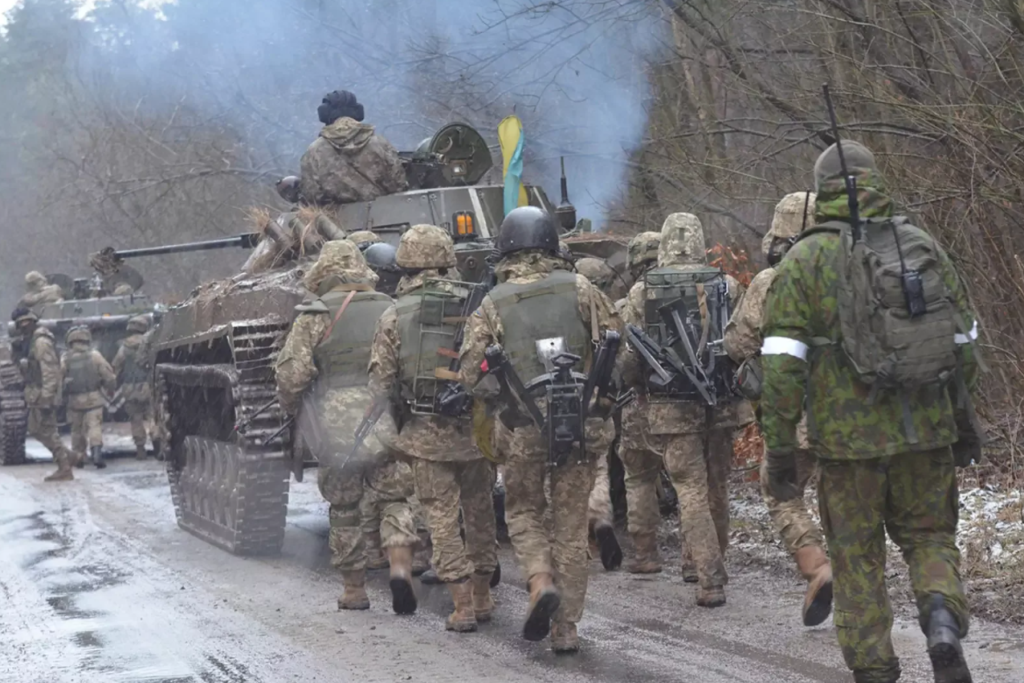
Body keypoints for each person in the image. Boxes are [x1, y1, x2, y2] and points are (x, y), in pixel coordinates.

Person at [761, 141, 978, 683]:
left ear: (821, 193)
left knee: (857, 563)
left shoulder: (803, 260)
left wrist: (781, 446)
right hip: (926, 435)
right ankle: (941, 621)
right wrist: (953, 415)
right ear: (876, 181)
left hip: (847, 450)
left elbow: (782, 368)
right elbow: (965, 343)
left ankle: (876, 671)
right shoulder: (917, 244)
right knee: (930, 539)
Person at [458, 206, 620, 653]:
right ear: (552, 243)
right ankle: (566, 628)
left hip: (524, 429)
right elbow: (618, 348)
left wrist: (500, 394)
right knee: (570, 527)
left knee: (524, 511)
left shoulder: (494, 301)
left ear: (506, 248)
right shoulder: (582, 288)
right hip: (582, 425)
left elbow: (471, 372)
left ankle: (540, 581)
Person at [276, 240, 420, 614]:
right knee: (394, 498)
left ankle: (354, 590)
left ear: (323, 272)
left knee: (344, 507)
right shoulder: (390, 308)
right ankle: (401, 568)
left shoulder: (314, 314)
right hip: (383, 415)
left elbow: (292, 375)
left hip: (335, 424)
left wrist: (294, 409)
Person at [368, 225, 497, 633]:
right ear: (447, 258)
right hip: (475, 431)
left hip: (425, 434)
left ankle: (462, 606)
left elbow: (380, 385)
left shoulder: (393, 314)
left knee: (441, 519)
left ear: (404, 263)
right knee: (480, 512)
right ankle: (483, 594)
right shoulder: (478, 305)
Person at [722, 191, 833, 627]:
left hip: (793, 416)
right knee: (842, 496)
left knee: (780, 490)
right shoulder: (847, 271)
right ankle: (859, 577)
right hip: (851, 415)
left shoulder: (771, 281)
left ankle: (816, 565)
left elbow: (738, 344)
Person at [618, 213, 741, 607]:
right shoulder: (729, 284)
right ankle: (704, 562)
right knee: (716, 486)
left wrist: (636, 387)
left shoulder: (641, 292)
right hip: (722, 402)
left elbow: (630, 356)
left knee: (690, 488)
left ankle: (709, 577)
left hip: (670, 405)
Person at [299, 90, 408, 205]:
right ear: (358, 111)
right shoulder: (379, 143)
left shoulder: (315, 151)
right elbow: (398, 184)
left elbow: (312, 195)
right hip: (385, 214)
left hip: (337, 220)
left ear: (324, 114)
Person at [12, 308, 72, 481]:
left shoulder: (40, 342)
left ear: (32, 322)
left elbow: (50, 371)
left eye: (26, 322)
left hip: (43, 392)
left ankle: (65, 466)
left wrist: (47, 397)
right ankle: (71, 457)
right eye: (21, 324)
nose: (24, 326)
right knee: (37, 429)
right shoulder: (30, 341)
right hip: (37, 392)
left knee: (47, 430)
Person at [61, 326, 116, 470]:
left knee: (76, 430)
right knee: (94, 427)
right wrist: (110, 389)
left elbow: (58, 379)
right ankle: (96, 453)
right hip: (94, 399)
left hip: (74, 401)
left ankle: (79, 457)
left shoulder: (65, 359)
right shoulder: (95, 356)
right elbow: (109, 376)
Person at [113, 316, 160, 460]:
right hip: (149, 386)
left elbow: (116, 367)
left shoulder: (124, 347)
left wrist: (114, 383)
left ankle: (141, 449)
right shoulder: (150, 344)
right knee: (154, 417)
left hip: (130, 389)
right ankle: (158, 447)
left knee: (136, 419)